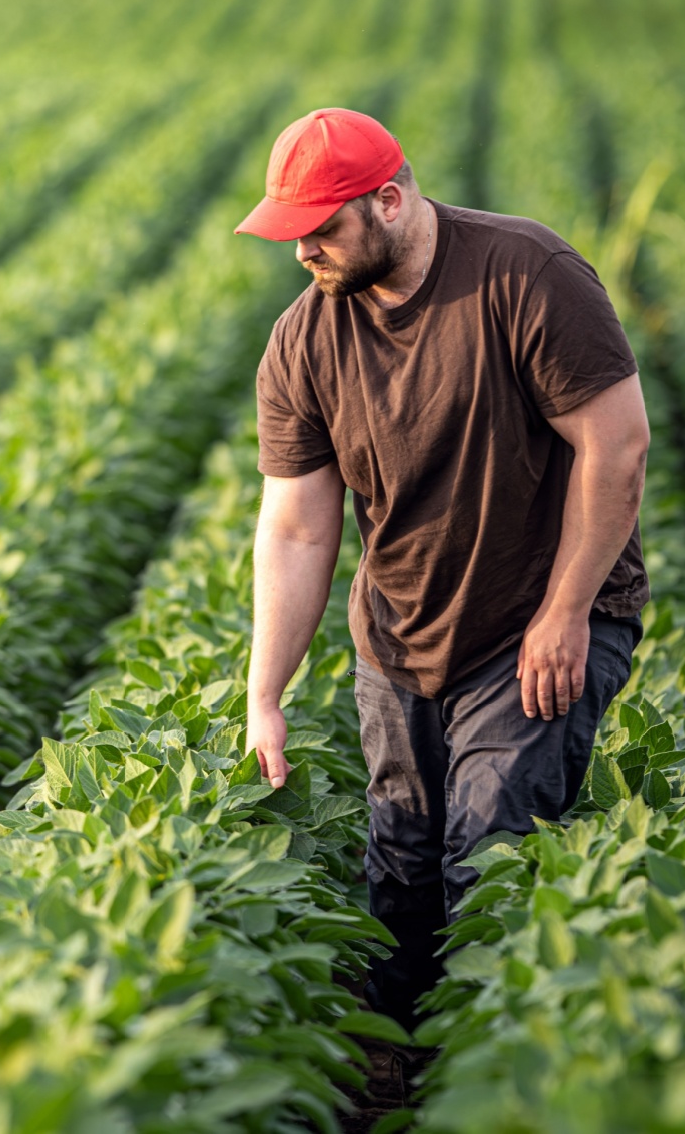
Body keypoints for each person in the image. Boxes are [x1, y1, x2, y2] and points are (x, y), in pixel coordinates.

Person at [236, 108, 651, 1029]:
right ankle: (402, 1060)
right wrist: (267, 689)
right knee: (405, 864)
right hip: (400, 636)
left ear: (387, 202)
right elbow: (299, 527)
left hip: (532, 623)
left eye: (319, 228)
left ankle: (501, 1066)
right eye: (289, 231)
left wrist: (566, 612)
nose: (302, 251)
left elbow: (616, 448)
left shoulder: (526, 275)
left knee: (490, 856)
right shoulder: (304, 341)